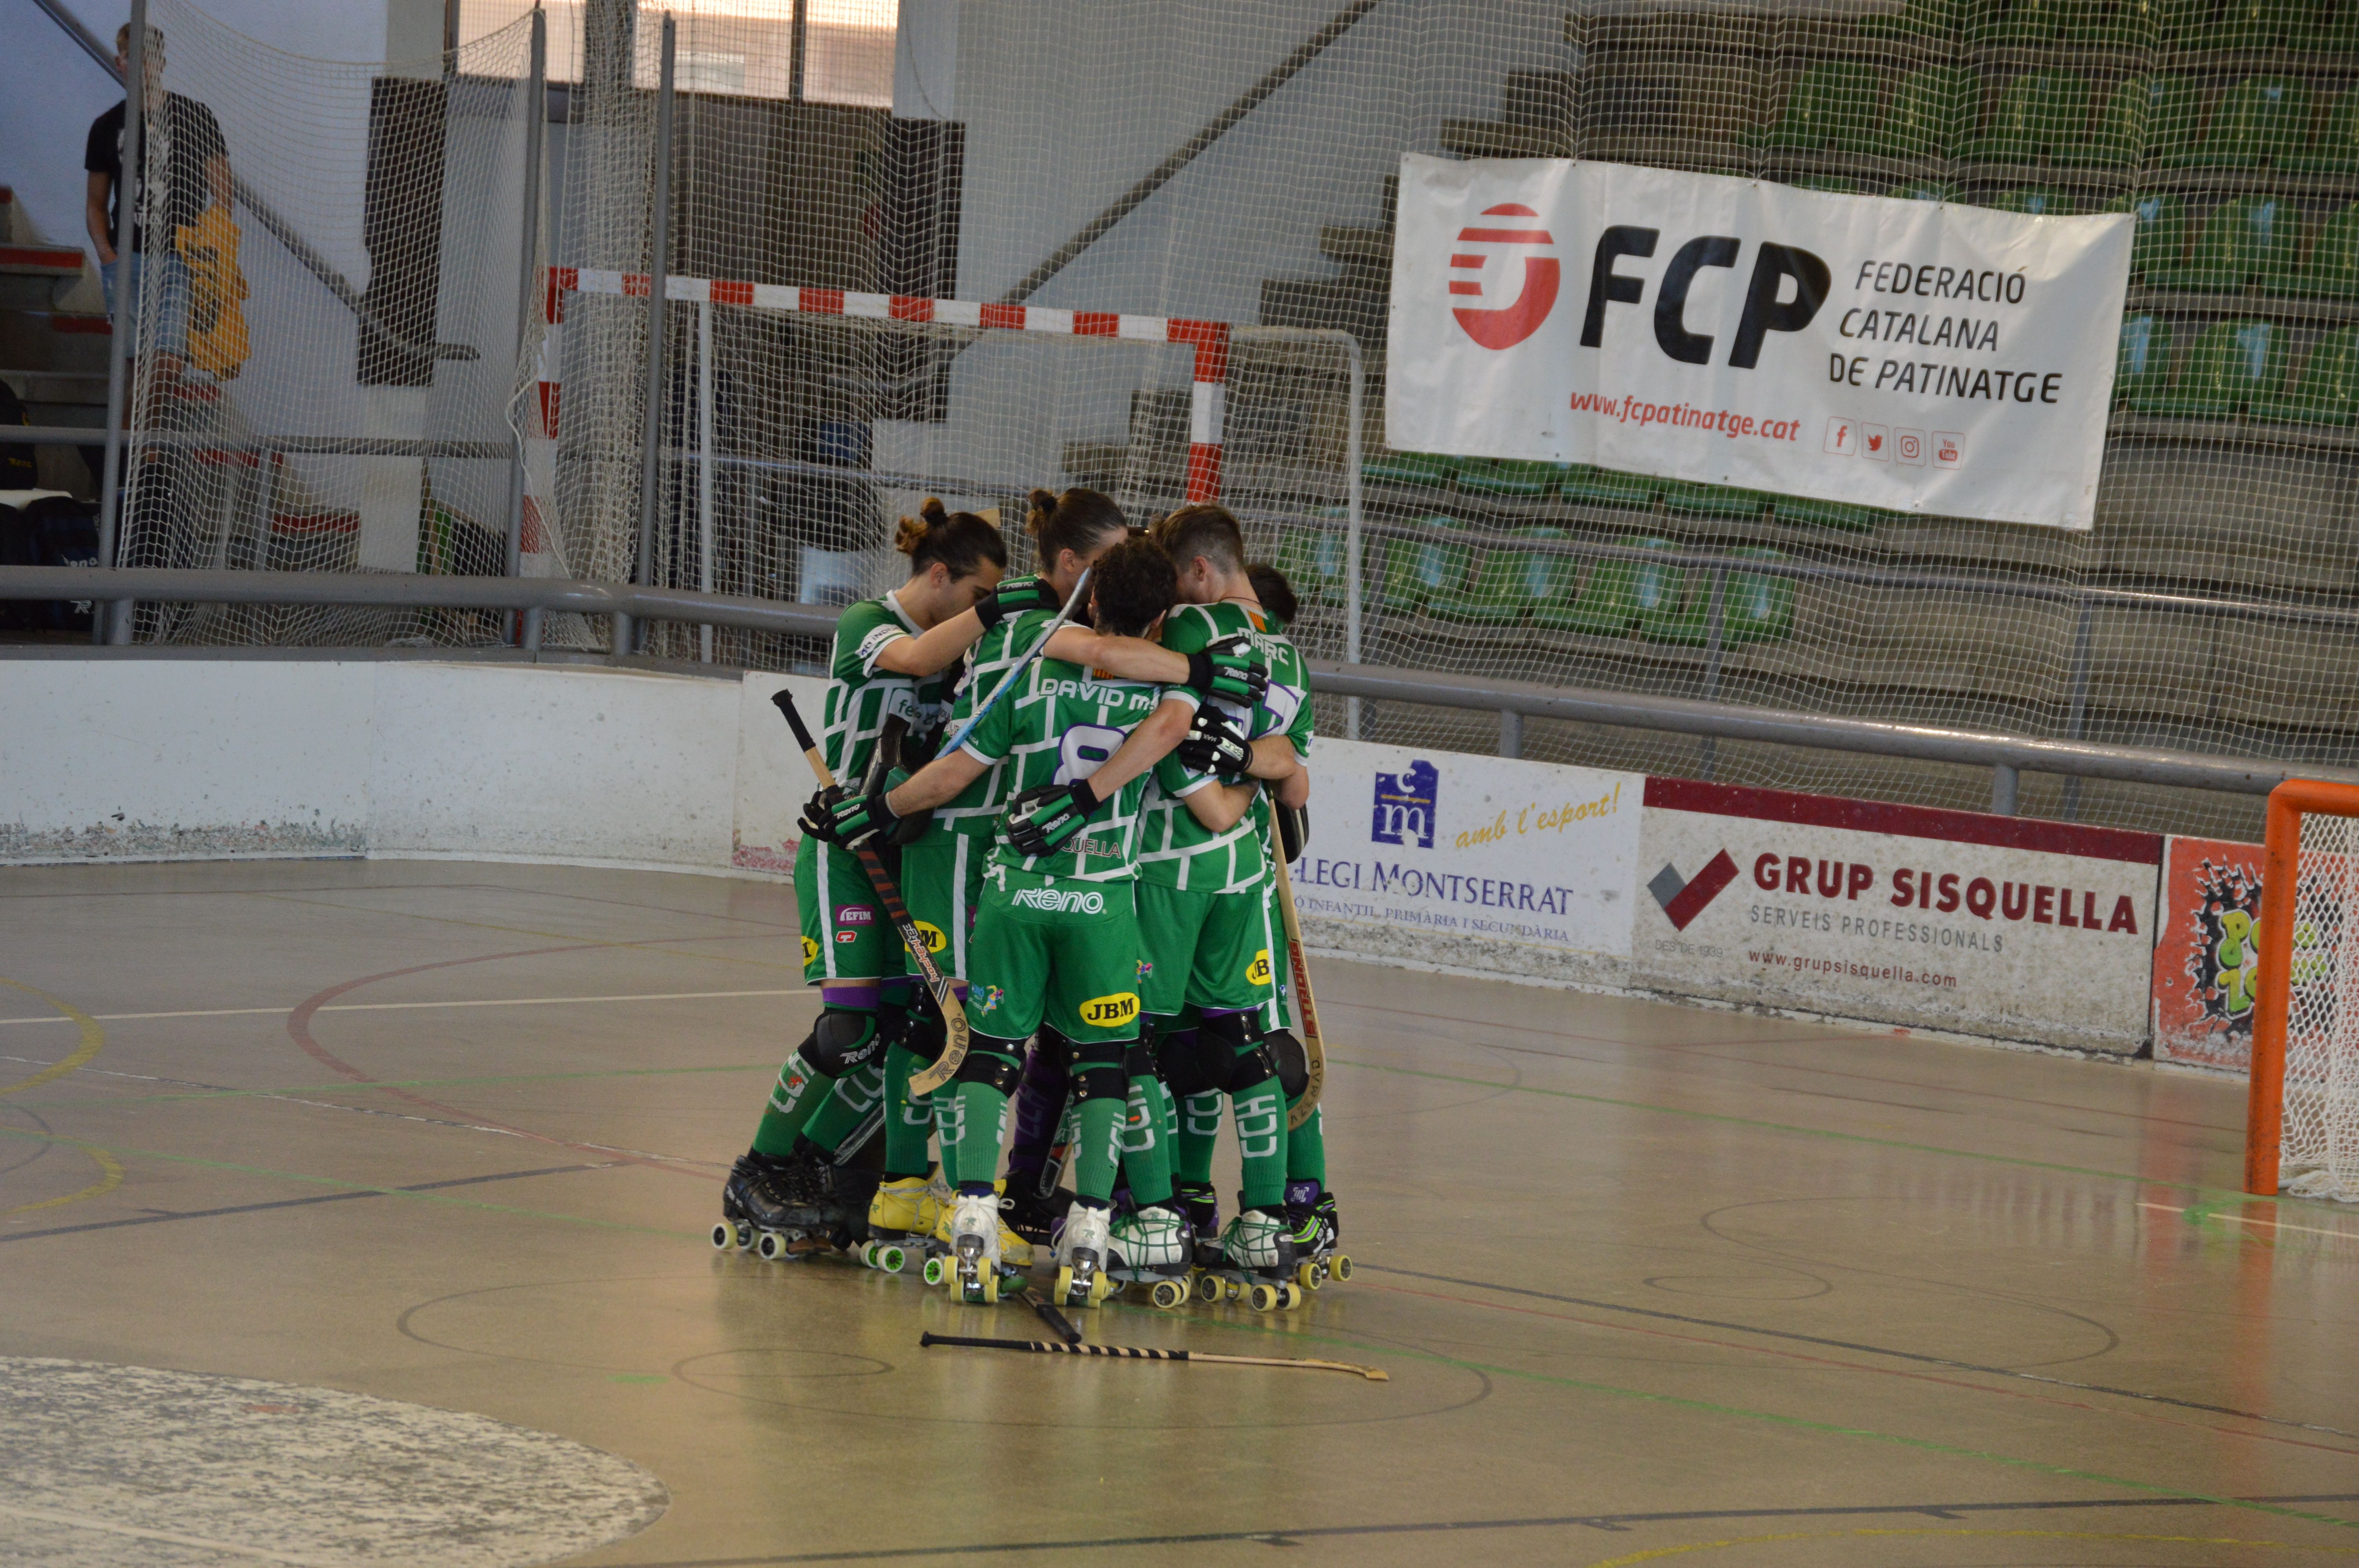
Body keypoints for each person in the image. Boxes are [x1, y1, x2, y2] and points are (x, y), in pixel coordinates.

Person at [826, 536, 1252, 1307]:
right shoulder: (1166, 695)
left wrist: (882, 807)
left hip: (1014, 893)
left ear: (1088, 598)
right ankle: (1089, 1237)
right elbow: (1176, 747)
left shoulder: (1025, 666)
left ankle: (971, 1223)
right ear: (1159, 618)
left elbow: (953, 772)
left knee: (988, 1053)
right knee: (1103, 1066)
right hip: (1102, 904)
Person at [717, 500, 1042, 1257]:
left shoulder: (961, 643)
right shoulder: (870, 624)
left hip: (903, 849)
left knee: (908, 1031)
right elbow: (916, 662)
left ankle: (816, 1170)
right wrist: (1004, 609)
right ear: (939, 576)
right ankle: (758, 1165)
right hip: (842, 856)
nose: (979, 615)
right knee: (848, 1029)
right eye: (974, 597)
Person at [1131, 505, 1316, 1300]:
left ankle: (1149, 1213)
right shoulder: (1289, 652)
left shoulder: (1186, 628)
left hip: (1174, 868)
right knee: (1240, 1043)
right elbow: (1291, 770)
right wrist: (1251, 769)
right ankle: (1265, 1221)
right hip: (1247, 879)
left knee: (1130, 1041)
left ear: (1198, 570)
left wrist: (1224, 789)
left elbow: (1198, 786)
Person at [85, 24, 229, 383]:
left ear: (161, 62)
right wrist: (107, 257)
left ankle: (134, 439)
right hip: (126, 258)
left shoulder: (195, 116)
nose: (141, 66)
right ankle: (133, 440)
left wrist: (208, 250)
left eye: (148, 57)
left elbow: (224, 196)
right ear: (119, 62)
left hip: (180, 259)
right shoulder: (105, 127)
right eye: (132, 58)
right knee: (133, 373)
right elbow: (95, 203)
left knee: (168, 367)